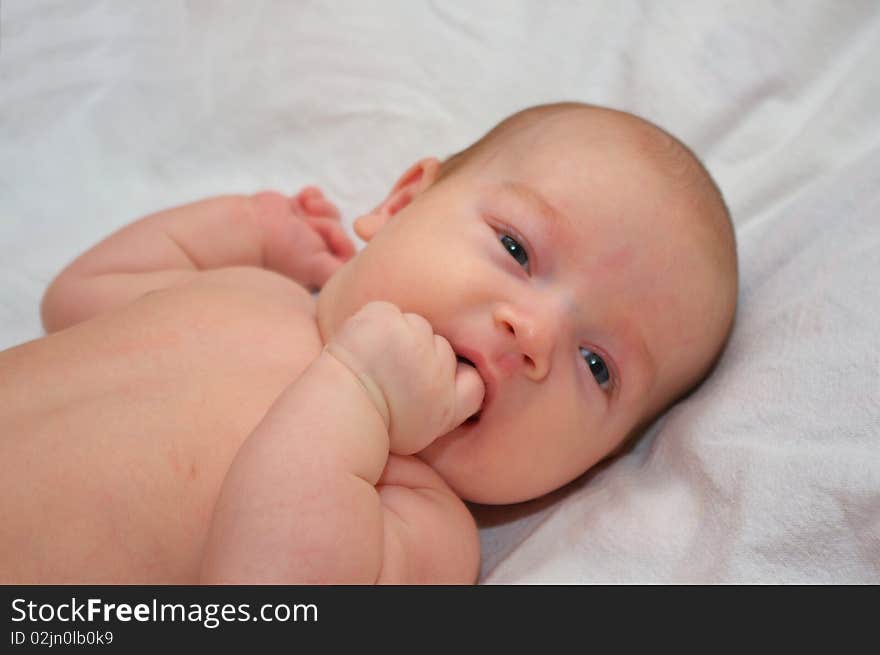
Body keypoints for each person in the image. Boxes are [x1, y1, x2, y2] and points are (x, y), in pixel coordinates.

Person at [0, 102, 737, 583]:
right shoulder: (256, 292)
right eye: (516, 247)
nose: (534, 332)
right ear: (400, 203)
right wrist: (241, 226)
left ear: (588, 465)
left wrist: (357, 393)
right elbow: (78, 301)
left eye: (597, 364)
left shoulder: (420, 524)